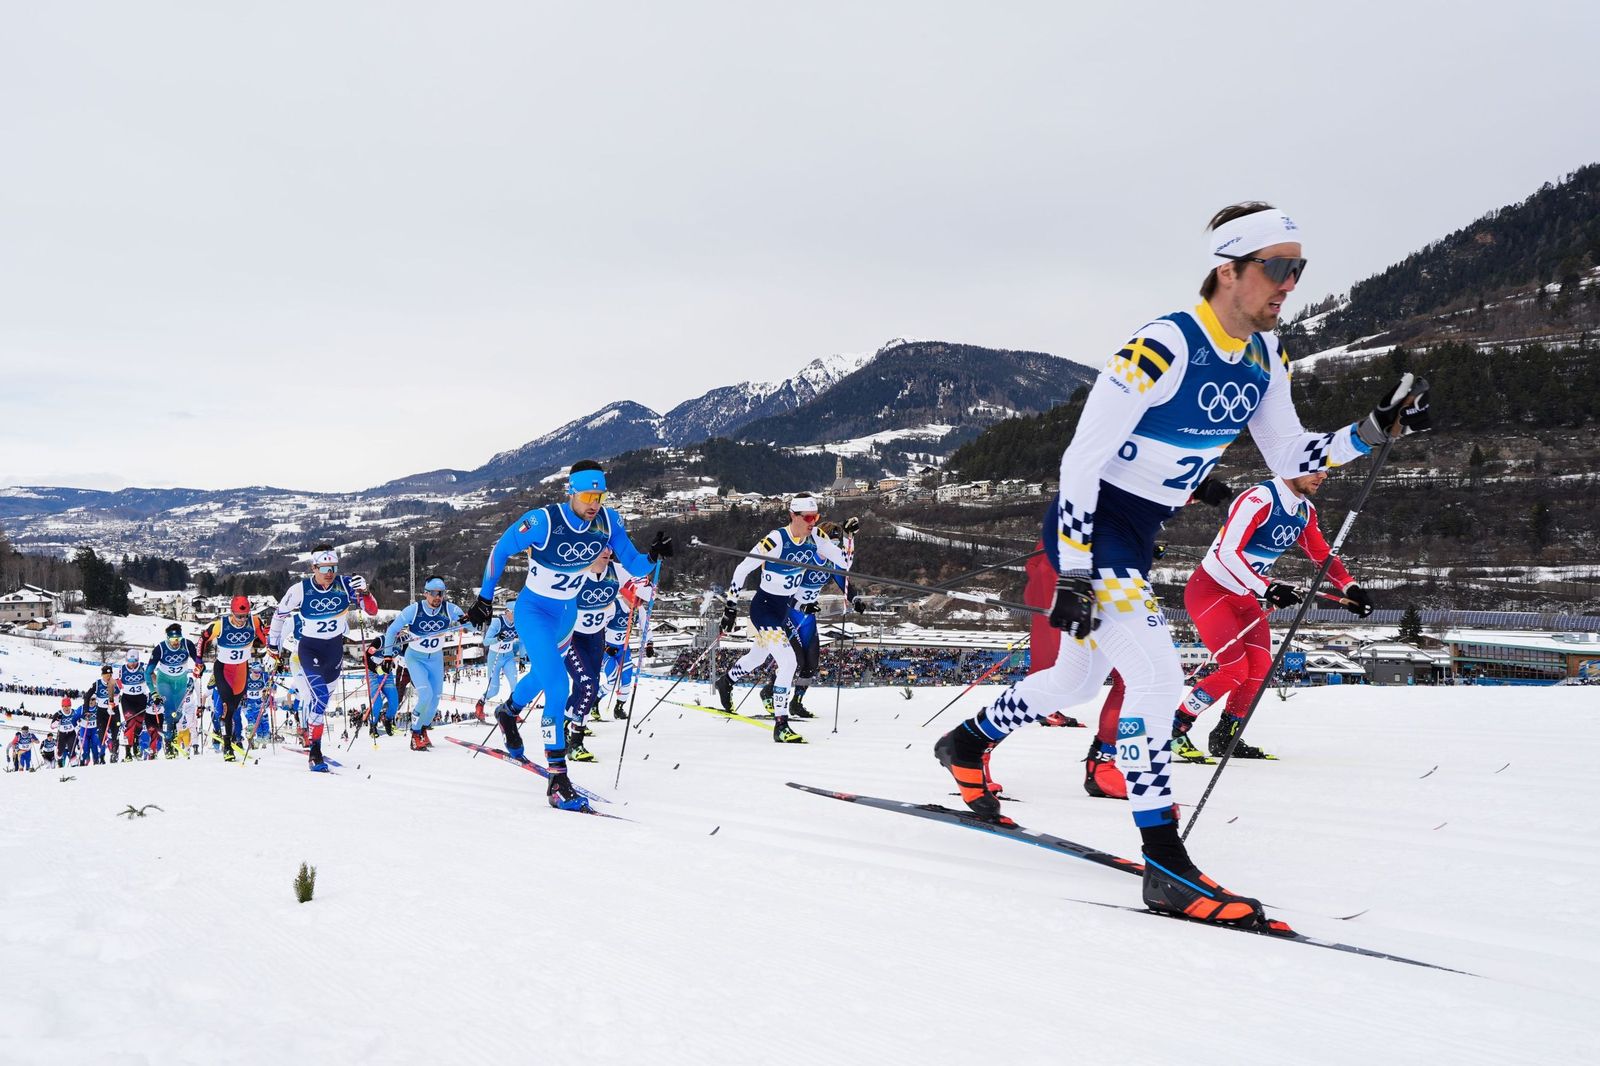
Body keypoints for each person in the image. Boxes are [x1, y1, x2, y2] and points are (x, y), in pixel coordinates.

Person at [933, 202, 1431, 927]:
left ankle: (967, 742)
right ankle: (1165, 862)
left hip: (1137, 531)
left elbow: (1291, 457)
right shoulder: (1165, 345)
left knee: (1075, 678)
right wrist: (1073, 568)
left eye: (1299, 270)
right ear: (1228, 271)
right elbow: (1081, 458)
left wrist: (1372, 429)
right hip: (1095, 520)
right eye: (1278, 268)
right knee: (1158, 676)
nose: (1290, 284)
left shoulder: (1266, 358)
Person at [465, 459, 669, 811]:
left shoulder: (608, 521)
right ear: (572, 492)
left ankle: (508, 712)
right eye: (588, 495)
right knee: (559, 686)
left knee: (545, 678)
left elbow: (635, 565)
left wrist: (652, 555)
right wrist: (484, 598)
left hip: (566, 613)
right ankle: (557, 778)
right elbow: (500, 549)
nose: (594, 503)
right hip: (534, 613)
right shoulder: (544, 521)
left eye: (600, 495)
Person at [1171, 471, 1376, 762]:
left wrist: (1350, 587)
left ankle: (1225, 735)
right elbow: (1226, 553)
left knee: (1260, 669)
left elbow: (1321, 555)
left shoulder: (1305, 509)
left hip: (1245, 596)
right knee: (1234, 670)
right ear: (1292, 465)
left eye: (1326, 467)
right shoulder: (1259, 499)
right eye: (1315, 467)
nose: (1323, 474)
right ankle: (1175, 725)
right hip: (1210, 592)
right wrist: (1268, 587)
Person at [714, 494, 852, 744]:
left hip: (784, 609)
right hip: (764, 608)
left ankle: (726, 681)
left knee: (757, 657)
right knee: (788, 662)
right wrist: (730, 606)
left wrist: (849, 540)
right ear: (793, 516)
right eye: (809, 518)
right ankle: (781, 725)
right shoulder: (777, 540)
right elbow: (743, 568)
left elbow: (843, 564)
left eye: (816, 517)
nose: (813, 522)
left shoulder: (817, 538)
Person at [267, 545, 378, 772]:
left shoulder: (346, 585)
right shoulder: (300, 589)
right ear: (313, 567)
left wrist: (366, 592)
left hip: (334, 651)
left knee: (322, 702)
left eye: (333, 567)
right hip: (309, 650)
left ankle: (312, 736)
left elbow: (372, 611)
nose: (330, 573)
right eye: (325, 568)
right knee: (319, 695)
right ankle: (315, 750)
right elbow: (279, 617)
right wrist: (272, 647)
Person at [760, 517, 863, 718]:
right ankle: (769, 690)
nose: (833, 547)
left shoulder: (832, 563)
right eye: (830, 543)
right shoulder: (806, 557)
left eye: (836, 543)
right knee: (795, 659)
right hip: (790, 611)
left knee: (811, 663)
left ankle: (796, 702)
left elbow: (846, 583)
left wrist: (855, 599)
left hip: (807, 616)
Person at [562, 550, 649, 761]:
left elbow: (642, 585)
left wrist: (653, 559)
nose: (608, 552)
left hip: (596, 639)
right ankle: (575, 742)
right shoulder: (575, 572)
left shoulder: (616, 571)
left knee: (585, 690)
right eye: (601, 547)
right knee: (589, 686)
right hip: (573, 638)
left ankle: (564, 721)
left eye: (609, 548)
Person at [382, 576, 466, 751]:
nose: (438, 597)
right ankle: (415, 733)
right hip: (416, 658)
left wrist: (473, 619)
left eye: (441, 593)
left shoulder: (450, 609)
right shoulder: (414, 610)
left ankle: (424, 730)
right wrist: (388, 656)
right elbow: (391, 631)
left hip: (436, 658)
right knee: (426, 695)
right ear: (426, 593)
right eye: (434, 593)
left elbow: (472, 626)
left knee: (435, 700)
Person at [198, 596, 272, 761]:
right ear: (232, 613)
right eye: (239, 616)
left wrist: (273, 654)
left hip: (242, 670)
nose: (242, 620)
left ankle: (234, 739)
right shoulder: (220, 625)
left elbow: (266, 639)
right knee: (227, 707)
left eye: (245, 615)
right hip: (224, 670)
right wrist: (198, 662)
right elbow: (202, 639)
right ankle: (227, 746)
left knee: (233, 709)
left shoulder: (254, 622)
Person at [149, 623, 201, 755]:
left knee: (177, 714)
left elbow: (199, 662)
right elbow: (147, 672)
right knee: (169, 710)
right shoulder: (160, 648)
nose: (176, 642)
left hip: (180, 682)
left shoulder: (187, 644)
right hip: (164, 681)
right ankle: (168, 744)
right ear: (167, 638)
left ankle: (172, 735)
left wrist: (199, 668)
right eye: (172, 640)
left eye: (178, 639)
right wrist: (154, 693)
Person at [475, 605, 524, 720]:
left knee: (515, 686)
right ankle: (480, 705)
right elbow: (486, 642)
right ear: (507, 611)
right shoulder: (498, 622)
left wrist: (522, 658)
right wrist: (497, 638)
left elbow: (522, 641)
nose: (516, 616)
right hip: (495, 657)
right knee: (494, 690)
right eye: (514, 613)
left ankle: (513, 712)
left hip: (508, 657)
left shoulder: (518, 623)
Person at [117, 649, 158, 760]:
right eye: (130, 660)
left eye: (134, 660)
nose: (132, 663)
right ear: (127, 660)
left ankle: (135, 744)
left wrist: (159, 687)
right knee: (130, 723)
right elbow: (116, 683)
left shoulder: (143, 667)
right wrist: (112, 698)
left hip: (141, 699)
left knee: (139, 725)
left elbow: (154, 678)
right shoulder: (122, 670)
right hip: (127, 700)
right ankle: (128, 752)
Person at [363, 638, 400, 737]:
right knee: (378, 703)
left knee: (394, 702)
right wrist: (376, 668)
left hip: (387, 674)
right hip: (373, 674)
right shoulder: (380, 641)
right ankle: (373, 725)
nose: (399, 634)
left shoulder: (402, 642)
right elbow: (365, 658)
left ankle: (388, 720)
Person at [54, 696, 80, 770]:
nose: (66, 708)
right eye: (65, 706)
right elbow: (52, 726)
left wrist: (79, 721)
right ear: (62, 706)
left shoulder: (74, 712)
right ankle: (59, 760)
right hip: (62, 734)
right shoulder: (58, 713)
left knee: (71, 749)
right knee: (60, 751)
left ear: (70, 706)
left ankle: (74, 765)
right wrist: (57, 720)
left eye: (68, 706)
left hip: (71, 733)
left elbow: (79, 719)